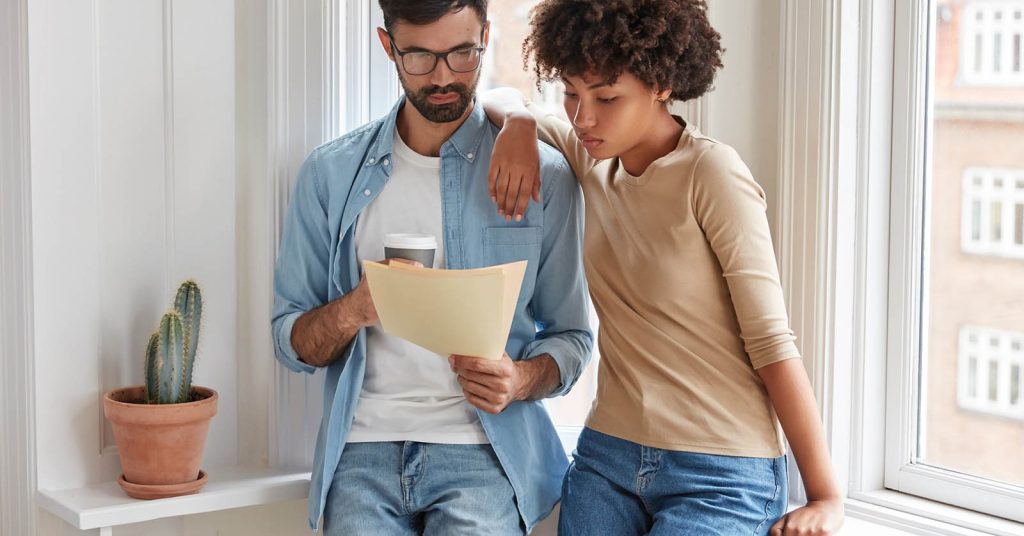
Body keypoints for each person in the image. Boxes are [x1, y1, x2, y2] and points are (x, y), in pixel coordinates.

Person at [475, 0, 845, 534]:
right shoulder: (593, 159)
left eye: (606, 98)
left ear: (661, 85)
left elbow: (771, 342)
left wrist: (825, 495)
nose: (584, 118)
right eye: (571, 94)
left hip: (720, 469)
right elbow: (499, 95)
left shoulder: (711, 174)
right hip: (608, 458)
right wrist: (521, 121)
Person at [270, 1, 593, 534]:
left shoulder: (546, 179)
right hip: (362, 451)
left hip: (484, 452)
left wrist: (520, 379)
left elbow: (573, 337)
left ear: (486, 37)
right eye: (419, 56)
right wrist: (355, 309)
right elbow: (291, 341)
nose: (443, 77)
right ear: (387, 46)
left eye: (462, 53)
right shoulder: (330, 175)